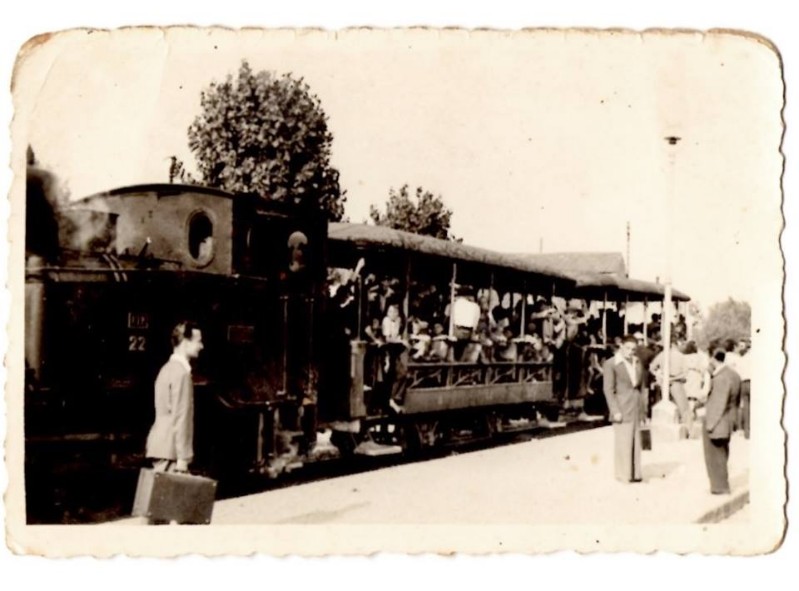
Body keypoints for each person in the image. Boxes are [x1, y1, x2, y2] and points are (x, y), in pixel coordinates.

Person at [145, 321, 204, 474]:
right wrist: (183, 458)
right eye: (198, 341)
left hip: (160, 446)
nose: (201, 346)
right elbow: (181, 417)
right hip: (171, 451)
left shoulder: (165, 369)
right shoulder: (182, 374)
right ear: (185, 342)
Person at [602, 335, 645, 483]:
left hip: (635, 406)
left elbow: (641, 386)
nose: (630, 351)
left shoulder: (637, 362)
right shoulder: (611, 364)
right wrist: (615, 410)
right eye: (627, 348)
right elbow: (608, 389)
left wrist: (643, 409)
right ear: (621, 346)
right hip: (621, 407)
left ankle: (635, 474)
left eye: (633, 349)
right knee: (623, 440)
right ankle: (623, 474)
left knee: (636, 441)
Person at [701, 348, 742, 494]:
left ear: (712, 359)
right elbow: (736, 402)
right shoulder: (734, 375)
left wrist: (710, 424)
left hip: (717, 422)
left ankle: (719, 487)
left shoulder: (720, 379)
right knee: (723, 454)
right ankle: (721, 485)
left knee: (714, 456)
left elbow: (718, 404)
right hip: (728, 421)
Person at [650, 336, 691, 430]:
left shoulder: (662, 354)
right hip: (676, 382)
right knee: (683, 408)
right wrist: (673, 378)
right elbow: (685, 373)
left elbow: (652, 367)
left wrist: (660, 375)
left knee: (663, 406)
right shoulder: (680, 356)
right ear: (674, 344)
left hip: (664, 383)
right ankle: (688, 430)